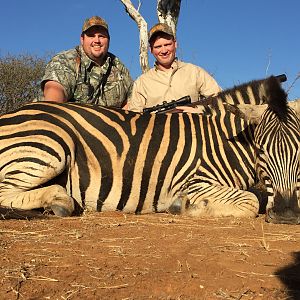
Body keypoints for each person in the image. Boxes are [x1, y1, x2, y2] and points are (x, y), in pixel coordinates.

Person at [127, 23, 222, 112]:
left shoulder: (195, 72)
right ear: (151, 50)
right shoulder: (142, 82)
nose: (164, 50)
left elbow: (222, 100)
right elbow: (134, 116)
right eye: (158, 47)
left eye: (167, 44)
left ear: (175, 44)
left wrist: (199, 111)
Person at [41, 16, 133, 107]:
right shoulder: (65, 61)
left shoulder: (118, 66)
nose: (97, 40)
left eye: (101, 36)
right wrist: (52, 111)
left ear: (108, 40)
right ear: (82, 39)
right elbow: (54, 93)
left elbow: (131, 102)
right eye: (91, 36)